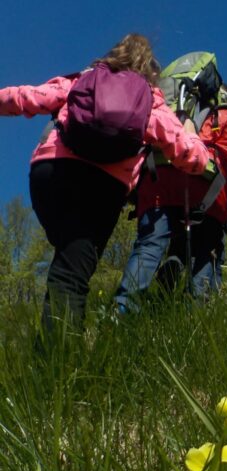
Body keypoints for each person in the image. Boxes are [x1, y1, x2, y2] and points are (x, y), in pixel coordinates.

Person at [0, 34, 209, 332]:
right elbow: (194, 157)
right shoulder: (150, 101)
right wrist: (191, 130)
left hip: (51, 172)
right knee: (72, 274)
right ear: (150, 71)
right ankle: (59, 368)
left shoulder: (82, 81)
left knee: (65, 256)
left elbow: (27, 97)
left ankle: (56, 352)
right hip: (103, 187)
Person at [114, 83, 227, 313]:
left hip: (157, 183)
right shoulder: (223, 118)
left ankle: (121, 313)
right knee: (207, 255)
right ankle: (195, 319)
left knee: (148, 247)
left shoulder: (166, 109)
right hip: (205, 194)